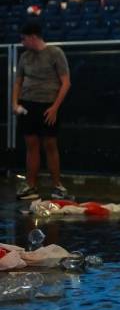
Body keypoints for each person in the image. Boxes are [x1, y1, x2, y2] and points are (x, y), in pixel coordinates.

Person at [13, 21, 71, 201]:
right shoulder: (24, 57)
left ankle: (57, 185)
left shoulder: (55, 53)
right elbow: (18, 82)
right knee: (31, 145)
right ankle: (31, 186)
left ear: (33, 37)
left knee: (50, 145)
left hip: (48, 104)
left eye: (24, 39)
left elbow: (66, 82)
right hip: (28, 105)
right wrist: (14, 103)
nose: (22, 42)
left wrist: (54, 108)